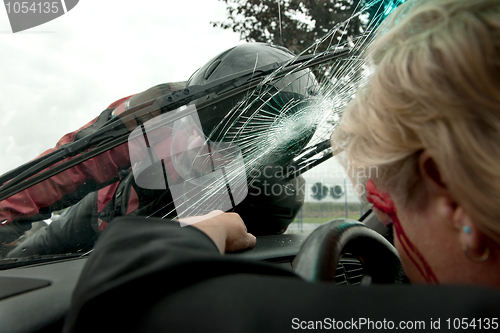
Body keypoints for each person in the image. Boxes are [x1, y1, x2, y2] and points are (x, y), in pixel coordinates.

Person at [62, 0, 500, 332]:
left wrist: (205, 231)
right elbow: (73, 162)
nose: (383, 227)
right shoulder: (156, 118)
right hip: (89, 215)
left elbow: (122, 299)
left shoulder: (274, 189)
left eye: (387, 208)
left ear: (451, 194)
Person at [0, 43, 313, 257]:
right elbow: (73, 163)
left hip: (157, 250)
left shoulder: (277, 196)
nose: (194, 145)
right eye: (194, 124)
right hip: (103, 208)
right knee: (26, 255)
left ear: (263, 154)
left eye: (221, 148)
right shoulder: (157, 108)